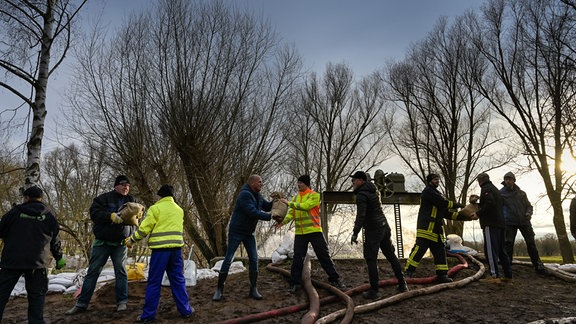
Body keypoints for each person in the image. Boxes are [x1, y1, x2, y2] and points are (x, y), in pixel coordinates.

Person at [66, 175, 136, 315]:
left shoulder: (131, 201)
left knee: (121, 272)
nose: (125, 187)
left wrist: (131, 237)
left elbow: (135, 220)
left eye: (128, 185)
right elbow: (94, 213)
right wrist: (110, 216)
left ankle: (122, 302)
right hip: (102, 242)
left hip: (120, 244)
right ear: (116, 185)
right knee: (93, 272)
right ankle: (81, 304)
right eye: (123, 184)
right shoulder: (103, 199)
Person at [125, 185, 193, 322]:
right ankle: (186, 310)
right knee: (178, 280)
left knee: (154, 283)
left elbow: (145, 228)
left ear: (160, 196)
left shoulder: (156, 209)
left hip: (160, 251)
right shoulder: (179, 210)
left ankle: (148, 316)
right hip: (176, 251)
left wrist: (132, 239)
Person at [0, 186, 65, 323]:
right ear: (41, 198)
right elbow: (55, 240)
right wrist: (59, 257)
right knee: (37, 298)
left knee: (1, 294)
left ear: (26, 198)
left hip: (12, 261)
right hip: (38, 262)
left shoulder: (14, 212)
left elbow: (1, 230)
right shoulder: (49, 215)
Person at [276, 174, 344, 292]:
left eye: (300, 183)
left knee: (324, 256)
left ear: (306, 184)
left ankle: (335, 279)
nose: (298, 184)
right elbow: (291, 213)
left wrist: (289, 203)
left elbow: (306, 207)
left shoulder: (315, 195)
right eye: (298, 182)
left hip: (314, 231)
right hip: (300, 233)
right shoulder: (296, 198)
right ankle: (295, 283)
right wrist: (282, 222)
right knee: (298, 258)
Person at [212, 174, 273, 301]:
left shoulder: (258, 195)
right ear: (252, 183)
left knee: (254, 259)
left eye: (262, 182)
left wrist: (277, 202)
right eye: (259, 182)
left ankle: (253, 289)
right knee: (228, 259)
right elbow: (252, 212)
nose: (262, 184)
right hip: (237, 232)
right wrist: (270, 216)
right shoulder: (244, 195)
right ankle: (219, 290)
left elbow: (267, 206)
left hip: (249, 233)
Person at [404, 173, 474, 283]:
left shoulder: (437, 194)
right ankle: (408, 272)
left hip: (436, 229)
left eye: (438, 179)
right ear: (430, 181)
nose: (438, 181)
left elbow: (447, 214)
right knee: (420, 250)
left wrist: (467, 217)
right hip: (426, 228)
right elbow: (443, 203)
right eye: (435, 179)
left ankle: (442, 275)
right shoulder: (428, 192)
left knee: (440, 252)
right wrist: (457, 205)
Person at [349, 171, 408, 299]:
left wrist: (355, 232)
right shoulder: (374, 191)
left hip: (373, 229)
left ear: (361, 180)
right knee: (391, 256)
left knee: (371, 259)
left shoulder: (361, 195)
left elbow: (361, 215)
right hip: (384, 226)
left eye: (354, 180)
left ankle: (374, 291)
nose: (352, 183)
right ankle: (403, 283)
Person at [499, 172, 546, 274]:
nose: (508, 181)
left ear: (514, 180)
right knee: (508, 244)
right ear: (504, 181)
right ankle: (507, 267)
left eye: (510, 179)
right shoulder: (501, 193)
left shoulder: (522, 193)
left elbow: (529, 206)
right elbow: (497, 207)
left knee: (531, 243)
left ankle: (538, 264)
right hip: (509, 222)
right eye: (506, 179)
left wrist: (528, 213)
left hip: (524, 221)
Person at [475, 172, 512, 283]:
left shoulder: (486, 188)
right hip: (501, 224)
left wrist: (478, 213)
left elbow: (489, 203)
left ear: (480, 180)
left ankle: (494, 275)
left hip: (491, 224)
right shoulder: (495, 189)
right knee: (501, 251)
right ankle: (508, 276)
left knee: (490, 250)